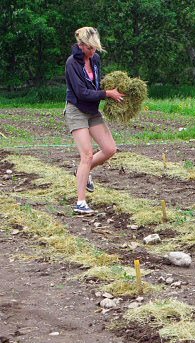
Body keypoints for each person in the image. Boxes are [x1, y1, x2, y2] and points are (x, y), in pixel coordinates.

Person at [64, 26, 124, 214]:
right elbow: (81, 93)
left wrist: (115, 89)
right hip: (76, 111)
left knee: (110, 149)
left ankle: (83, 171)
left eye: (95, 48)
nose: (94, 51)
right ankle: (80, 202)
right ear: (81, 45)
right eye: (90, 48)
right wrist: (107, 94)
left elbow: (96, 83)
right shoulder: (72, 63)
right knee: (87, 155)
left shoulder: (95, 59)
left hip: (92, 111)